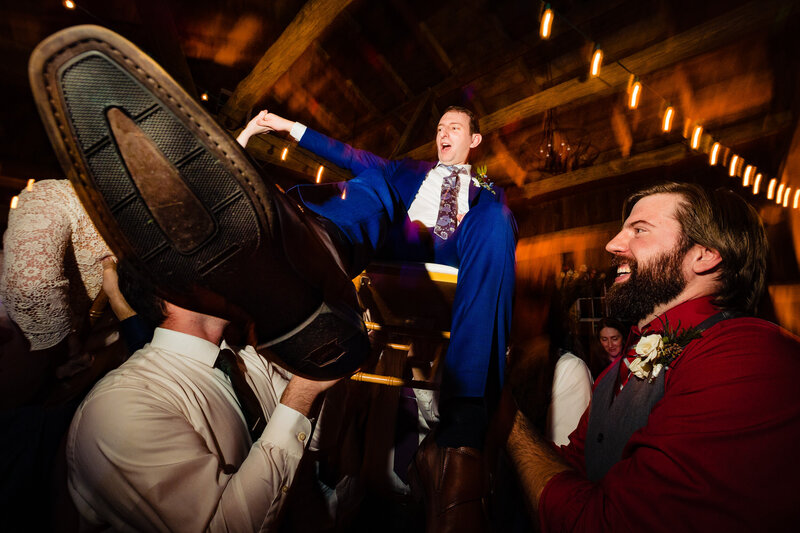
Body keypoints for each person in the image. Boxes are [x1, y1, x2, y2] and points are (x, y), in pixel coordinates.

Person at [241, 105, 517, 530]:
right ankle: (319, 240)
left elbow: (491, 225)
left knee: (499, 218)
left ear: (474, 140)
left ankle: (463, 442)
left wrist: (486, 210)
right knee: (373, 180)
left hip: (457, 251)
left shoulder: (486, 189)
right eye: (440, 127)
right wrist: (287, 128)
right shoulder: (408, 169)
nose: (444, 134)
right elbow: (349, 154)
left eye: (455, 128)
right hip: (397, 240)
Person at [505, 182, 800, 531]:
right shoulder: (619, 370)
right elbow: (572, 468)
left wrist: (508, 421)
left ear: (703, 255)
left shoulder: (748, 357)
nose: (612, 245)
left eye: (639, 230)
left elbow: (615, 524)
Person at [66, 260, 339, 531]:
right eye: (213, 266)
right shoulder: (118, 407)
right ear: (170, 292)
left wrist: (332, 365)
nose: (236, 276)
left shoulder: (247, 360)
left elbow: (315, 440)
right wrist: (302, 390)